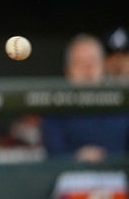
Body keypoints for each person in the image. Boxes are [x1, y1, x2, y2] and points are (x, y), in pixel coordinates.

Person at [42, 34, 129, 162]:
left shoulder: (122, 103)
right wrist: (76, 157)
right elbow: (53, 151)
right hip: (71, 175)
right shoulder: (56, 105)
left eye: (93, 61)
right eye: (80, 62)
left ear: (103, 65)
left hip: (118, 176)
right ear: (68, 70)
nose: (88, 68)